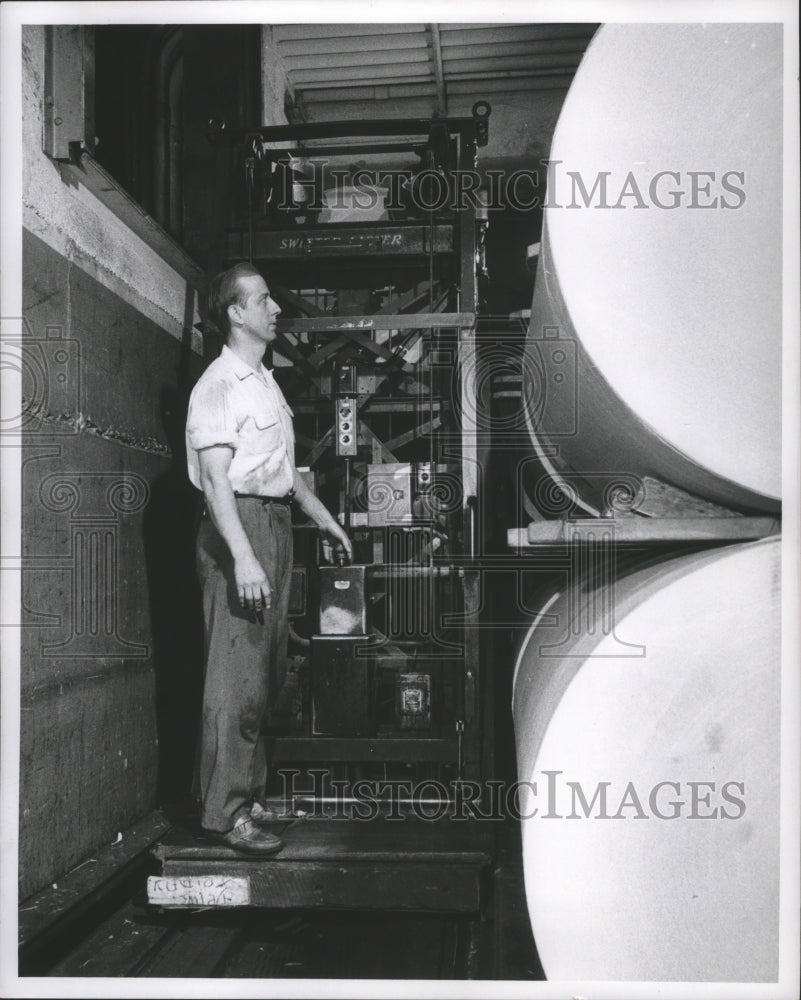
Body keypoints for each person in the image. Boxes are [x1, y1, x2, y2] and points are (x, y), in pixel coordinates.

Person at [185, 261, 352, 855]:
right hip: (241, 529)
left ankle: (250, 795)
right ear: (235, 312)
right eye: (263, 300)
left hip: (273, 521)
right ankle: (224, 813)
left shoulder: (264, 383)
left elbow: (282, 473)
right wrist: (243, 558)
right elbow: (215, 481)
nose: (275, 308)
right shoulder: (218, 387)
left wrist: (324, 518)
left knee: (266, 672)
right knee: (234, 679)